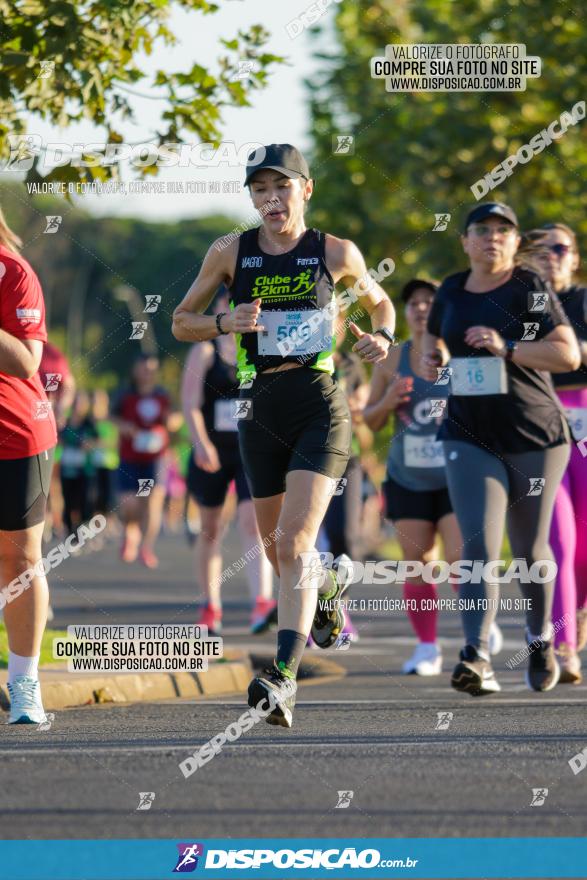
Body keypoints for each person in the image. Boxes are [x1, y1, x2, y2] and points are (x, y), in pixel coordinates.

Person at [172, 143, 396, 726]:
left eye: (282, 187)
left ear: (306, 189)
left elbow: (380, 303)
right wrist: (225, 321)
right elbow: (179, 321)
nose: (271, 200)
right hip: (258, 406)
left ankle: (284, 676)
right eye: (260, 190)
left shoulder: (337, 251)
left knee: (294, 544)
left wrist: (383, 339)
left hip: (320, 404)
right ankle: (326, 588)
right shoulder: (229, 251)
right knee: (277, 551)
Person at [423, 202, 580, 696]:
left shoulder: (528, 288)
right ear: (465, 241)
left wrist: (505, 347)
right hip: (469, 432)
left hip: (533, 432)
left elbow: (567, 354)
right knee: (477, 546)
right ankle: (477, 655)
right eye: (482, 230)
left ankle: (539, 641)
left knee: (530, 548)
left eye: (503, 232)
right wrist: (432, 359)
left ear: (515, 244)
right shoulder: (449, 289)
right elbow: (432, 343)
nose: (493, 238)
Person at [365, 279, 463, 675]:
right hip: (407, 479)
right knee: (418, 565)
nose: (421, 308)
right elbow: (369, 420)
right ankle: (427, 648)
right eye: (413, 303)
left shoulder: (461, 355)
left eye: (429, 301)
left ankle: (478, 635)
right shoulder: (392, 358)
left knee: (462, 560)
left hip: (457, 477)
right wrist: (388, 401)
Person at [181, 290, 277, 636]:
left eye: (241, 305)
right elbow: (190, 403)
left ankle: (263, 603)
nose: (235, 311)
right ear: (220, 310)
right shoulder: (204, 351)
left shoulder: (259, 349)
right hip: (212, 451)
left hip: (249, 450)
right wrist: (201, 444)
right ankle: (210, 607)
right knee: (211, 528)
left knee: (254, 524)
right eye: (227, 305)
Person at [520, 223, 587, 683]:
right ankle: (564, 649)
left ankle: (578, 611)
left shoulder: (584, 300)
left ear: (575, 257)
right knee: (558, 542)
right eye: (540, 250)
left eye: (560, 248)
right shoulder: (529, 302)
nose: (551, 256)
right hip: (542, 428)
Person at [0, 205, 57, 723]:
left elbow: (27, 361)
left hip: (14, 436)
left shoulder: (13, 272)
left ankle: (24, 684)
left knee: (17, 562)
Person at [111, 353, 171, 569]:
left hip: (155, 458)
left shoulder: (163, 394)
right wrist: (124, 426)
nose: (148, 373)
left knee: (152, 504)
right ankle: (130, 531)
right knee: (130, 505)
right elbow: (111, 416)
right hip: (129, 457)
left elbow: (175, 417)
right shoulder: (125, 394)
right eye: (144, 368)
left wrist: (171, 423)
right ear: (136, 370)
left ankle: (146, 548)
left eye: (152, 369)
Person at [59, 390, 98, 533]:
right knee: (68, 501)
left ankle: (80, 529)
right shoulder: (65, 423)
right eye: (76, 402)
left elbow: (96, 442)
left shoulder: (89, 423)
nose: (78, 406)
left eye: (82, 403)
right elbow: (58, 439)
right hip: (67, 468)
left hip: (85, 469)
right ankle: (70, 531)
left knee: (84, 501)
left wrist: (89, 444)